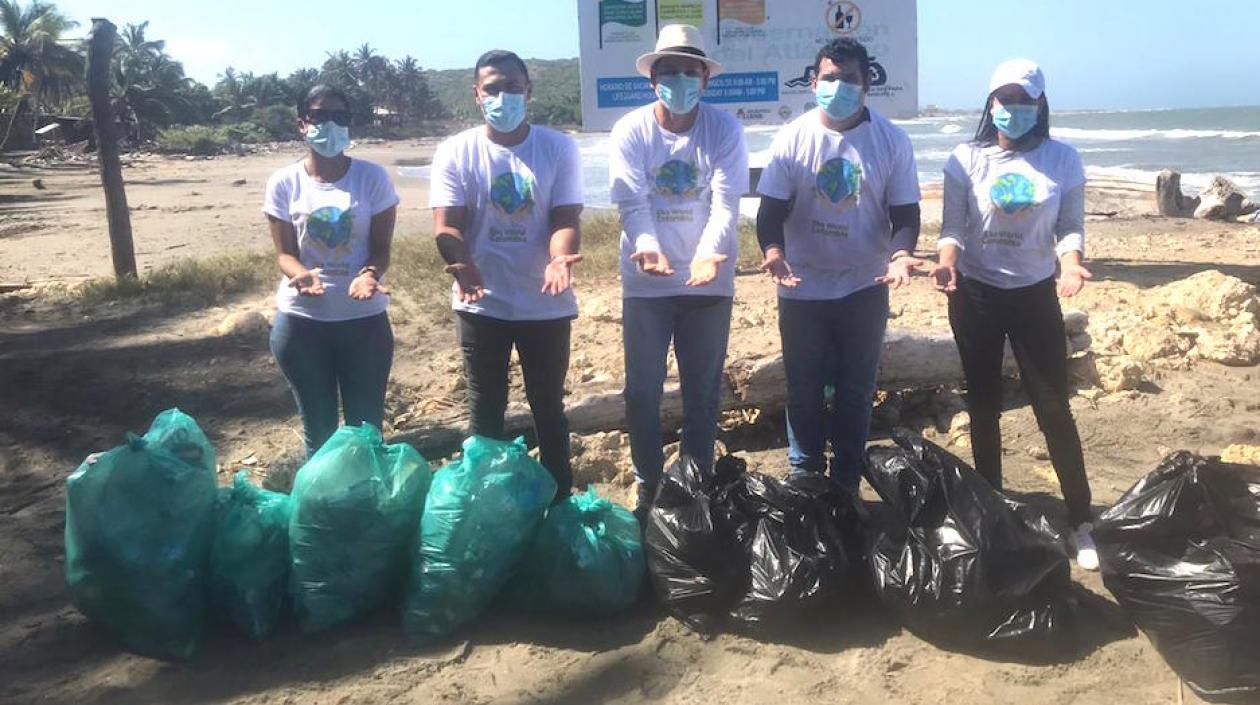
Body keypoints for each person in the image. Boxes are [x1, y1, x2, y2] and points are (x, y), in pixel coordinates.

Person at [931, 59, 1098, 570]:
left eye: (1024, 100)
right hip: (975, 294)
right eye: (1005, 99)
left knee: (1053, 407)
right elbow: (953, 227)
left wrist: (1071, 263)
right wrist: (946, 262)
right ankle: (992, 510)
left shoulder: (1062, 159)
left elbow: (1070, 226)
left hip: (1034, 295)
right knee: (983, 406)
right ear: (991, 104)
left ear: (1040, 105)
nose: (1014, 108)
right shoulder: (965, 159)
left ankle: (1082, 520)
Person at [755, 37, 922, 491]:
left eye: (849, 79)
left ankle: (847, 478)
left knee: (856, 389)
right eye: (829, 78)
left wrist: (901, 255)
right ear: (813, 83)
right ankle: (806, 473)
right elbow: (769, 212)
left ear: (866, 83)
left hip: (866, 283)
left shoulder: (891, 140)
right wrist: (773, 253)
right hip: (801, 284)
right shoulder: (792, 137)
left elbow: (905, 214)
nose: (838, 87)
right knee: (803, 387)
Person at [429, 49, 583, 504]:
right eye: (492, 88)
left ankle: (559, 502)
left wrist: (559, 259)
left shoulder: (557, 148)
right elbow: (447, 226)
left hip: (545, 303)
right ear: (477, 94)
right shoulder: (456, 151)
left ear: (528, 92)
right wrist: (461, 262)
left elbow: (565, 218)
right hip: (481, 302)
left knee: (549, 409)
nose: (503, 97)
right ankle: (486, 505)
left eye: (512, 87)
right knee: (485, 412)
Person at [609, 24, 749, 521]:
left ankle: (695, 483)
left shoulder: (724, 130)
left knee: (702, 393)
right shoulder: (631, 130)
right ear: (653, 79)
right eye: (669, 72)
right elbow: (631, 200)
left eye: (691, 72)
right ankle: (647, 481)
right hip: (646, 285)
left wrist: (709, 254)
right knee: (642, 391)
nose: (680, 81)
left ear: (705, 79)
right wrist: (648, 248)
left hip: (709, 283)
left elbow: (726, 203)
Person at [264, 85, 398, 458]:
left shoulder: (372, 178)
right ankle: (322, 497)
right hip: (301, 326)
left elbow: (381, 250)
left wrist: (370, 274)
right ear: (302, 124)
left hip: (364, 326)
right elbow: (285, 255)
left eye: (340, 117)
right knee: (318, 435)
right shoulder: (284, 182)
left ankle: (366, 496)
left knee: (367, 434)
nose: (331, 125)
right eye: (320, 116)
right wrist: (301, 274)